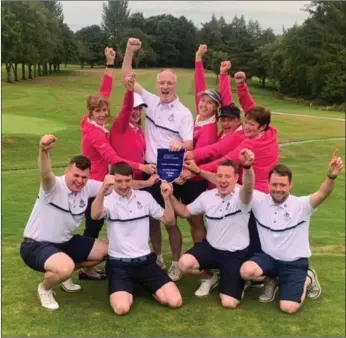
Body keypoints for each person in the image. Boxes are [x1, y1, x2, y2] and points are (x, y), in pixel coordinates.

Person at [121, 38, 194, 281]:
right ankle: (157, 256)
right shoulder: (149, 102)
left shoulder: (183, 113)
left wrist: (179, 144)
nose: (164, 86)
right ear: (157, 84)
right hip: (149, 170)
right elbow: (127, 78)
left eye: (169, 83)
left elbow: (190, 144)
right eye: (161, 82)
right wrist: (130, 52)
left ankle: (175, 262)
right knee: (153, 219)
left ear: (175, 85)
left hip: (170, 173)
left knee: (171, 223)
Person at [80, 48, 155, 280]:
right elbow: (113, 158)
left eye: (104, 110)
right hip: (94, 185)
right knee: (93, 226)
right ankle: (84, 266)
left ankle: (87, 266)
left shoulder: (91, 123)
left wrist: (109, 64)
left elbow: (104, 92)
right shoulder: (95, 134)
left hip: (102, 182)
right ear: (90, 113)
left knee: (96, 224)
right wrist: (139, 167)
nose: (103, 114)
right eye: (98, 111)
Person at [240, 150, 343, 313]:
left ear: (290, 185)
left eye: (283, 185)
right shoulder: (259, 201)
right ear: (268, 184)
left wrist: (331, 177)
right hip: (268, 259)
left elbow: (323, 193)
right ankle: (271, 280)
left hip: (294, 263)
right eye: (274, 184)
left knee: (288, 308)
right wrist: (246, 167)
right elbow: (245, 187)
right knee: (246, 271)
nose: (278, 189)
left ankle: (308, 278)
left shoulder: (302, 205)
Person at [19, 134, 109, 311]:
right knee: (65, 267)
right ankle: (45, 288)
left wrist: (146, 182)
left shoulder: (87, 186)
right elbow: (45, 173)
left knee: (107, 251)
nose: (80, 181)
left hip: (65, 243)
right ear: (67, 172)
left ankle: (63, 274)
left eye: (84, 177)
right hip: (36, 245)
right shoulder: (53, 186)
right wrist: (43, 151)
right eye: (76, 175)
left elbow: (119, 185)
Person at [90, 162, 183, 315]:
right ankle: (131, 285)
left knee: (175, 302)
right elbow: (94, 215)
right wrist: (102, 189)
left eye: (127, 181)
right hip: (119, 265)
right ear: (113, 180)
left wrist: (167, 198)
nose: (124, 185)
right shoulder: (108, 200)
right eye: (119, 181)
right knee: (121, 309)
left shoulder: (145, 197)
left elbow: (169, 221)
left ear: (132, 180)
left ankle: (139, 284)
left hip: (145, 262)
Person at [169, 150, 256, 309]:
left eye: (227, 176)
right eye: (219, 176)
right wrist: (170, 196)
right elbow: (184, 212)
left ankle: (237, 280)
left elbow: (249, 187)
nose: (223, 180)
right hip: (211, 248)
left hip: (235, 254)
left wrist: (248, 167)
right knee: (184, 264)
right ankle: (210, 276)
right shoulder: (207, 196)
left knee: (229, 303)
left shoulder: (242, 197)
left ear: (236, 178)